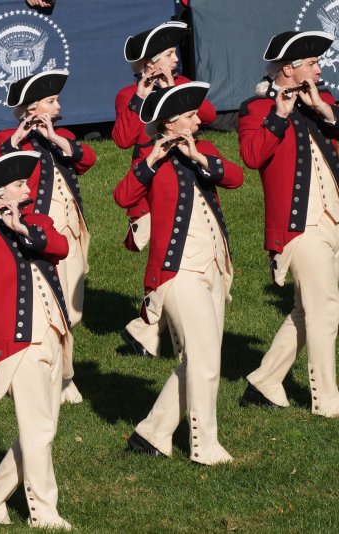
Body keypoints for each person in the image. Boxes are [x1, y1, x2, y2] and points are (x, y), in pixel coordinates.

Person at [114, 81, 243, 465]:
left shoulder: (203, 149)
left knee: (203, 355)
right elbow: (123, 197)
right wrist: (153, 160)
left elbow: (235, 178)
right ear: (169, 124)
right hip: (177, 272)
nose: (198, 122)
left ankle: (153, 431)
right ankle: (204, 446)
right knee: (203, 358)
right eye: (189, 117)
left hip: (215, 264)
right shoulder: (148, 156)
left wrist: (201, 158)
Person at [0, 151, 72, 530]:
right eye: (20, 185)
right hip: (16, 346)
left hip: (52, 334)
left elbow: (60, 247)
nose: (28, 188)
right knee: (39, 429)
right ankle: (43, 511)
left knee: (42, 427)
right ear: (0, 194)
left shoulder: (36, 220)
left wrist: (23, 229)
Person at [238, 30, 339, 417]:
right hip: (300, 227)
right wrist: (279, 117)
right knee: (325, 307)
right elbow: (251, 155)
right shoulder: (256, 109)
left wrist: (325, 111)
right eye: (312, 63)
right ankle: (325, 400)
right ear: (289, 69)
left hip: (332, 220)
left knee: (307, 307)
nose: (319, 68)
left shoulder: (323, 102)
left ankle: (265, 380)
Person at [0, 70, 96, 405]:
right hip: (39, 232)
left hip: (71, 231)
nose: (58, 105)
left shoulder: (60, 135)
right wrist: (18, 140)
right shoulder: (8, 138)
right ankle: (64, 378)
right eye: (52, 101)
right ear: (31, 108)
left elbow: (88, 159)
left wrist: (55, 138)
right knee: (56, 304)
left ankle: (59, 368)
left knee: (74, 309)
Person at [114, 20, 217, 358]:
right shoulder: (129, 95)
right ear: (150, 62)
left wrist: (175, 88)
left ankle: (146, 331)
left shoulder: (183, 83)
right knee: (163, 252)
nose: (176, 60)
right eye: (170, 55)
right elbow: (123, 139)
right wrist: (141, 98)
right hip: (149, 184)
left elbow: (211, 115)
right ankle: (151, 329)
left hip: (186, 179)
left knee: (179, 253)